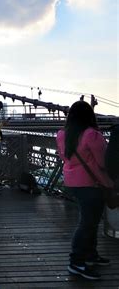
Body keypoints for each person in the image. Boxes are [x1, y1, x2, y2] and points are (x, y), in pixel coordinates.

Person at [56, 101, 114, 280]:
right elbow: (104, 162)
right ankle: (76, 262)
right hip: (92, 183)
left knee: (90, 221)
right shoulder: (92, 135)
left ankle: (90, 255)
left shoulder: (62, 134)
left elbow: (64, 157)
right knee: (88, 223)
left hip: (73, 183)